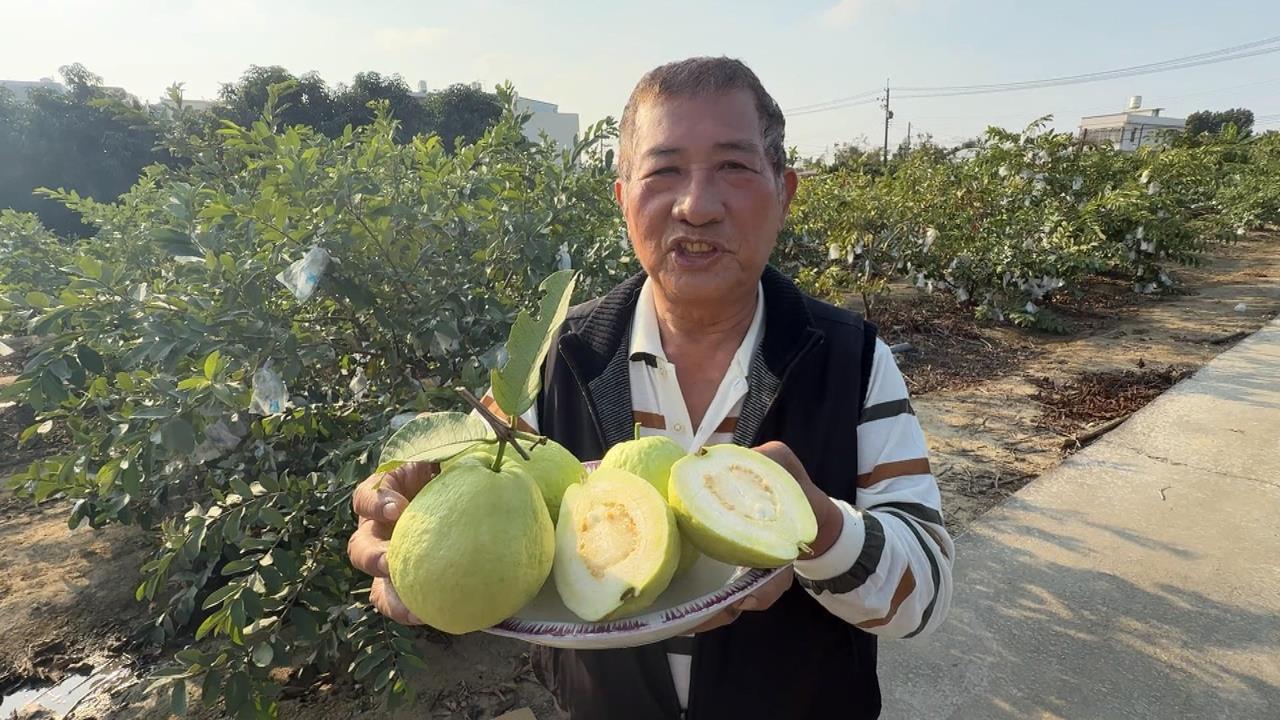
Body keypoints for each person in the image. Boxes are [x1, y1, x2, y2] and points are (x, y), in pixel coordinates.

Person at [348, 56, 954, 720]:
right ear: (621, 198)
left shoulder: (853, 360)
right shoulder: (558, 357)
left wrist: (814, 525)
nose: (696, 206)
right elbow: (451, 499)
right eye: (664, 170)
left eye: (734, 166)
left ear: (784, 191)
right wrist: (405, 528)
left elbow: (922, 598)